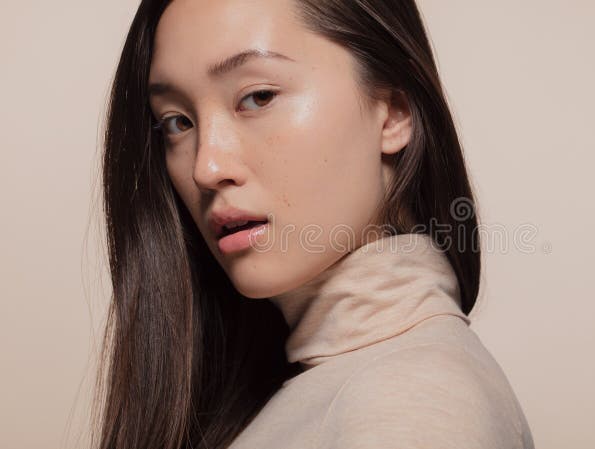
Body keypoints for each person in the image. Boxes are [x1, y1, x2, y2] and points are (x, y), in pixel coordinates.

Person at [94, 0, 535, 448]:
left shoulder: (410, 401)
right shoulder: (314, 386)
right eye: (178, 122)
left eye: (258, 97)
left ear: (394, 110)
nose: (206, 167)